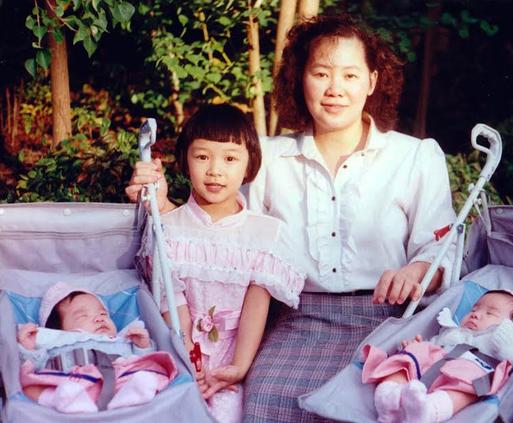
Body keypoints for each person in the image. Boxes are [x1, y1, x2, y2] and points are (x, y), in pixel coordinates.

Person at [126, 14, 457, 422]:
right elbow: (221, 231)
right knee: (264, 397)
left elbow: (441, 245)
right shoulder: (269, 158)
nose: (335, 89)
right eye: (321, 73)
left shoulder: (415, 157)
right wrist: (160, 204)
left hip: (387, 319)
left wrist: (418, 268)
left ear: (371, 82)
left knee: (372, 404)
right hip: (298, 319)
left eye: (350, 76)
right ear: (302, 79)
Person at [136, 104, 305, 423]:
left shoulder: (264, 233)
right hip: (178, 347)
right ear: (185, 160)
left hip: (236, 352)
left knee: (228, 413)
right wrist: (183, 348)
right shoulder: (167, 227)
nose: (215, 170)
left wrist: (239, 367)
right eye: (202, 157)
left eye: (230, 158)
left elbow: (257, 304)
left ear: (249, 165)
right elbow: (171, 295)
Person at [362, 290, 513, 423]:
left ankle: (429, 411)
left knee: (471, 384)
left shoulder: (508, 339)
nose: (476, 314)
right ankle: (388, 398)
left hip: (473, 368)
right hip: (437, 362)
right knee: (409, 356)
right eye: (474, 308)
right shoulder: (453, 331)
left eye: (490, 313)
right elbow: (434, 346)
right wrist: (418, 347)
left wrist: (510, 333)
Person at [17, 282, 178, 413]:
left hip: (119, 380)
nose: (99, 319)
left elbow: (140, 360)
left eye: (103, 314)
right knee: (39, 382)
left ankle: (130, 397)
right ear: (59, 329)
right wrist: (29, 349)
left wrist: (142, 346)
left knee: (147, 372)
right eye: (83, 316)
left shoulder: (121, 338)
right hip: (74, 380)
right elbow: (38, 365)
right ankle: (69, 401)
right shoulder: (55, 340)